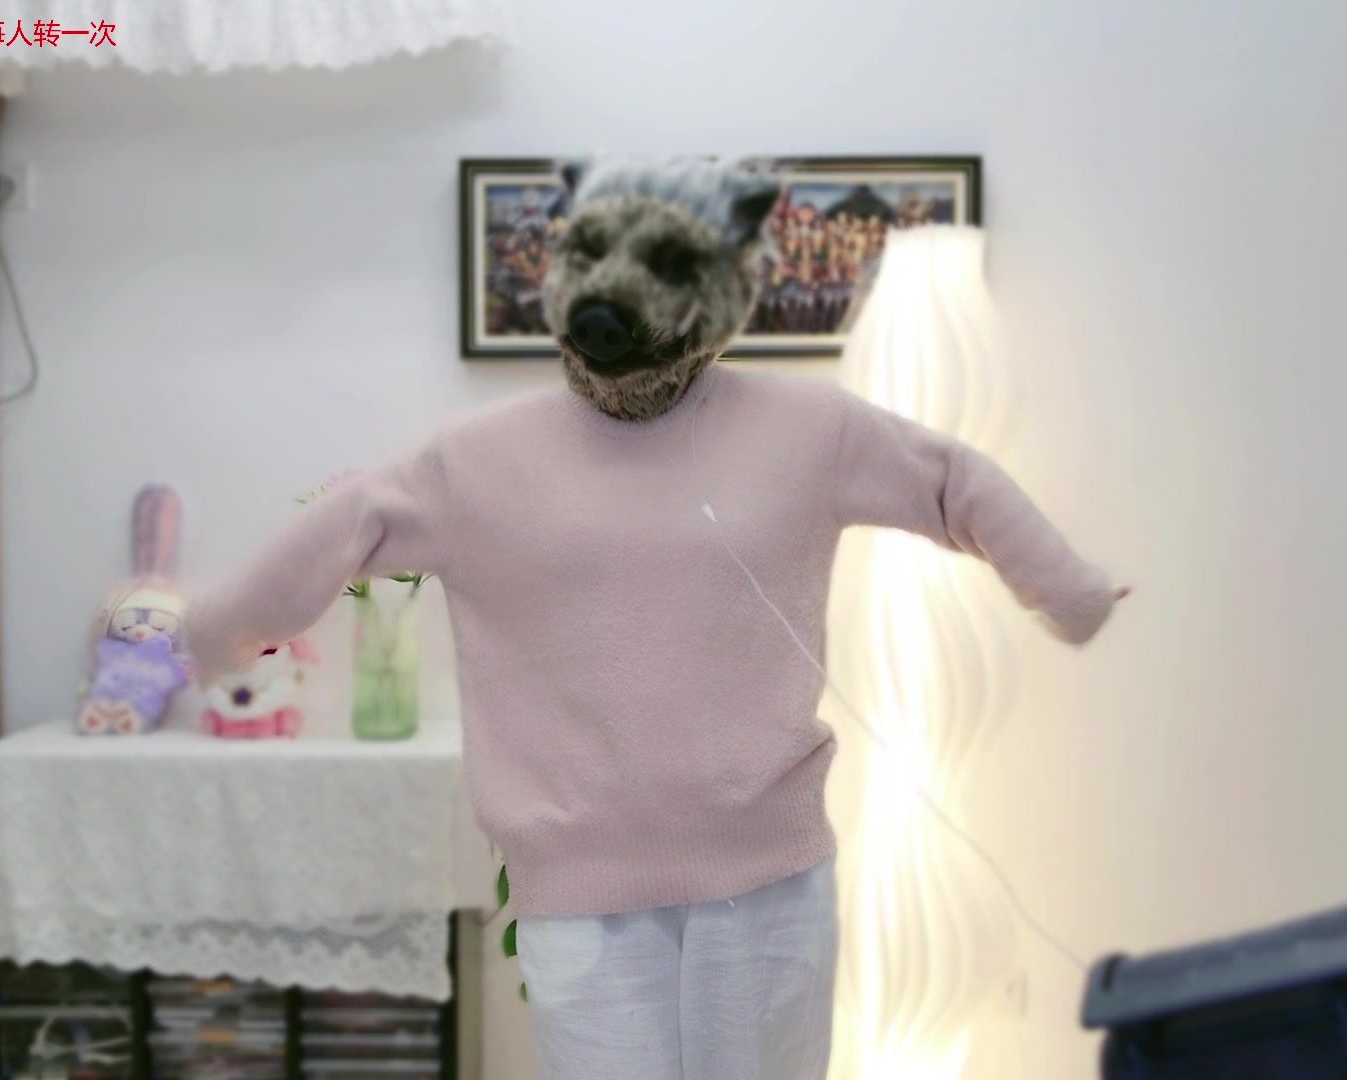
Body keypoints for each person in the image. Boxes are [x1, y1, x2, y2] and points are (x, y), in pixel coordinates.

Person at [185, 157, 1127, 1080]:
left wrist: (1065, 586)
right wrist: (221, 628)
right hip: (579, 895)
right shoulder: (478, 460)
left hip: (769, 883)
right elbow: (351, 523)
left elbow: (950, 480)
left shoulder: (810, 429)